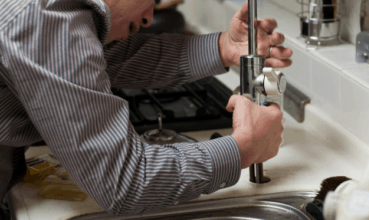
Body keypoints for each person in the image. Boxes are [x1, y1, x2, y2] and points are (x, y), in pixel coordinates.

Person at [0, 0, 293, 218]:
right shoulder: (45, 19)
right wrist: (244, 147)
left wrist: (225, 47)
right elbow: (125, 183)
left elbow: (114, 57)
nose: (149, 17)